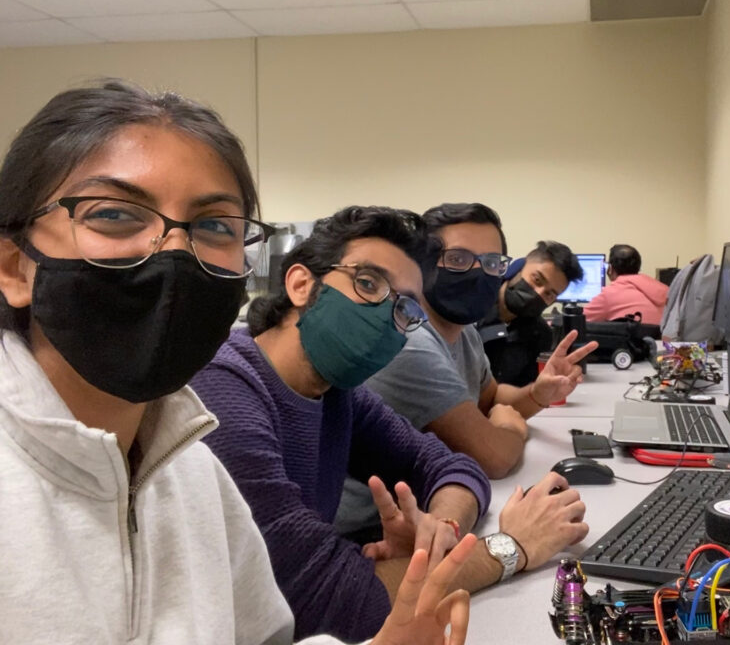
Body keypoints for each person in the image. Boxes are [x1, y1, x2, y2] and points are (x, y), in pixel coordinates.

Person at [0, 80, 473, 645]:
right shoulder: (225, 405)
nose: (174, 253)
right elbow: (329, 595)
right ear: (13, 268)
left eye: (215, 226)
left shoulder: (193, 471)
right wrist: (506, 549)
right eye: (114, 215)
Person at [191, 205, 589, 642]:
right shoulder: (221, 396)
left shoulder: (337, 392)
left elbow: (453, 467)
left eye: (404, 308)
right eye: (368, 284)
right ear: (302, 284)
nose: (385, 313)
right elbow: (326, 601)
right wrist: (512, 548)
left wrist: (439, 531)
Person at [358, 203, 597, 481]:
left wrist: (539, 394)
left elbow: (492, 398)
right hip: (375, 517)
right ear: (422, 262)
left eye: (491, 263)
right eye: (458, 259)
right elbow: (494, 458)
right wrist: (512, 430)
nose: (478, 273)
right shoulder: (408, 341)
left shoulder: (464, 330)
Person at [477, 241, 583, 386]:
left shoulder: (539, 334)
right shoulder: (470, 310)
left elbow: (521, 393)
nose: (538, 293)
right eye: (537, 279)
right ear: (515, 269)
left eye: (549, 294)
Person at [583, 243, 669, 324]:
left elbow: (578, 320)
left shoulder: (610, 294)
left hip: (629, 339)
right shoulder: (665, 290)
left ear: (610, 269)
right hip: (660, 339)